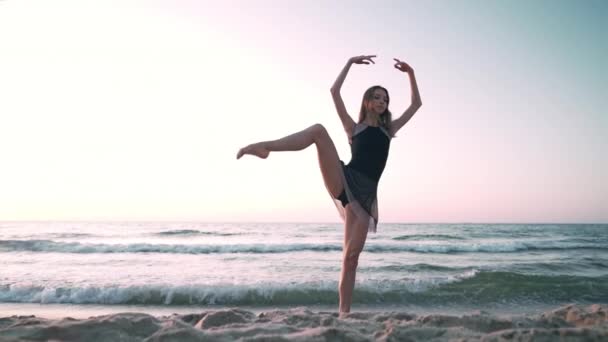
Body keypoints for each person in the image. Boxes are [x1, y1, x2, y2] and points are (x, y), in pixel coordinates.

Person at [236, 55, 422, 315]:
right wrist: (349, 62)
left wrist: (411, 73)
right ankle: (265, 147)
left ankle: (343, 314)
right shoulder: (353, 128)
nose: (382, 101)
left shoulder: (387, 130)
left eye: (386, 99)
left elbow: (416, 104)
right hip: (344, 179)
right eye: (378, 97)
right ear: (368, 101)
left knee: (350, 258)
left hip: (364, 198)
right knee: (318, 131)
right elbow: (334, 92)